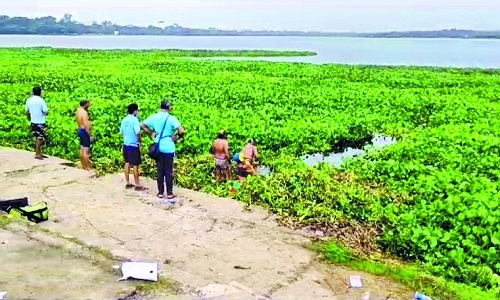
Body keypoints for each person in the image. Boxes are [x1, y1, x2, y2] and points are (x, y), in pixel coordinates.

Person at [141, 101, 185, 199]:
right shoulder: (171, 118)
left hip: (158, 147)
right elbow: (182, 131)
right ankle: (169, 193)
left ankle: (160, 192)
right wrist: (176, 137)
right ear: (168, 108)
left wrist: (151, 133)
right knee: (168, 171)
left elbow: (143, 125)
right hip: (169, 147)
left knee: (160, 170)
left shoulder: (154, 117)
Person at [120, 103, 146, 191]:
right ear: (135, 111)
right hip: (133, 145)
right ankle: (137, 184)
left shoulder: (124, 120)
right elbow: (138, 132)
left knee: (127, 162)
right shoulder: (135, 120)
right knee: (135, 165)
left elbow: (122, 132)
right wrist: (140, 142)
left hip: (126, 144)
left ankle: (127, 182)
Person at [25, 86, 48, 160]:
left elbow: (27, 111)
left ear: (33, 92)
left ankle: (39, 152)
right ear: (40, 92)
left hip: (33, 121)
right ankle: (37, 153)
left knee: (37, 136)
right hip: (40, 121)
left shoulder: (29, 100)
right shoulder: (41, 101)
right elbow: (45, 111)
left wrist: (29, 118)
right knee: (40, 137)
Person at [76, 100, 92, 170]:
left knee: (82, 148)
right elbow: (86, 125)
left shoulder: (78, 111)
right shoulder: (84, 113)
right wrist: (90, 135)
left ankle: (83, 166)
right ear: (85, 104)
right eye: (88, 104)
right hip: (84, 131)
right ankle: (87, 167)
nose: (89, 106)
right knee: (86, 150)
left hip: (80, 130)